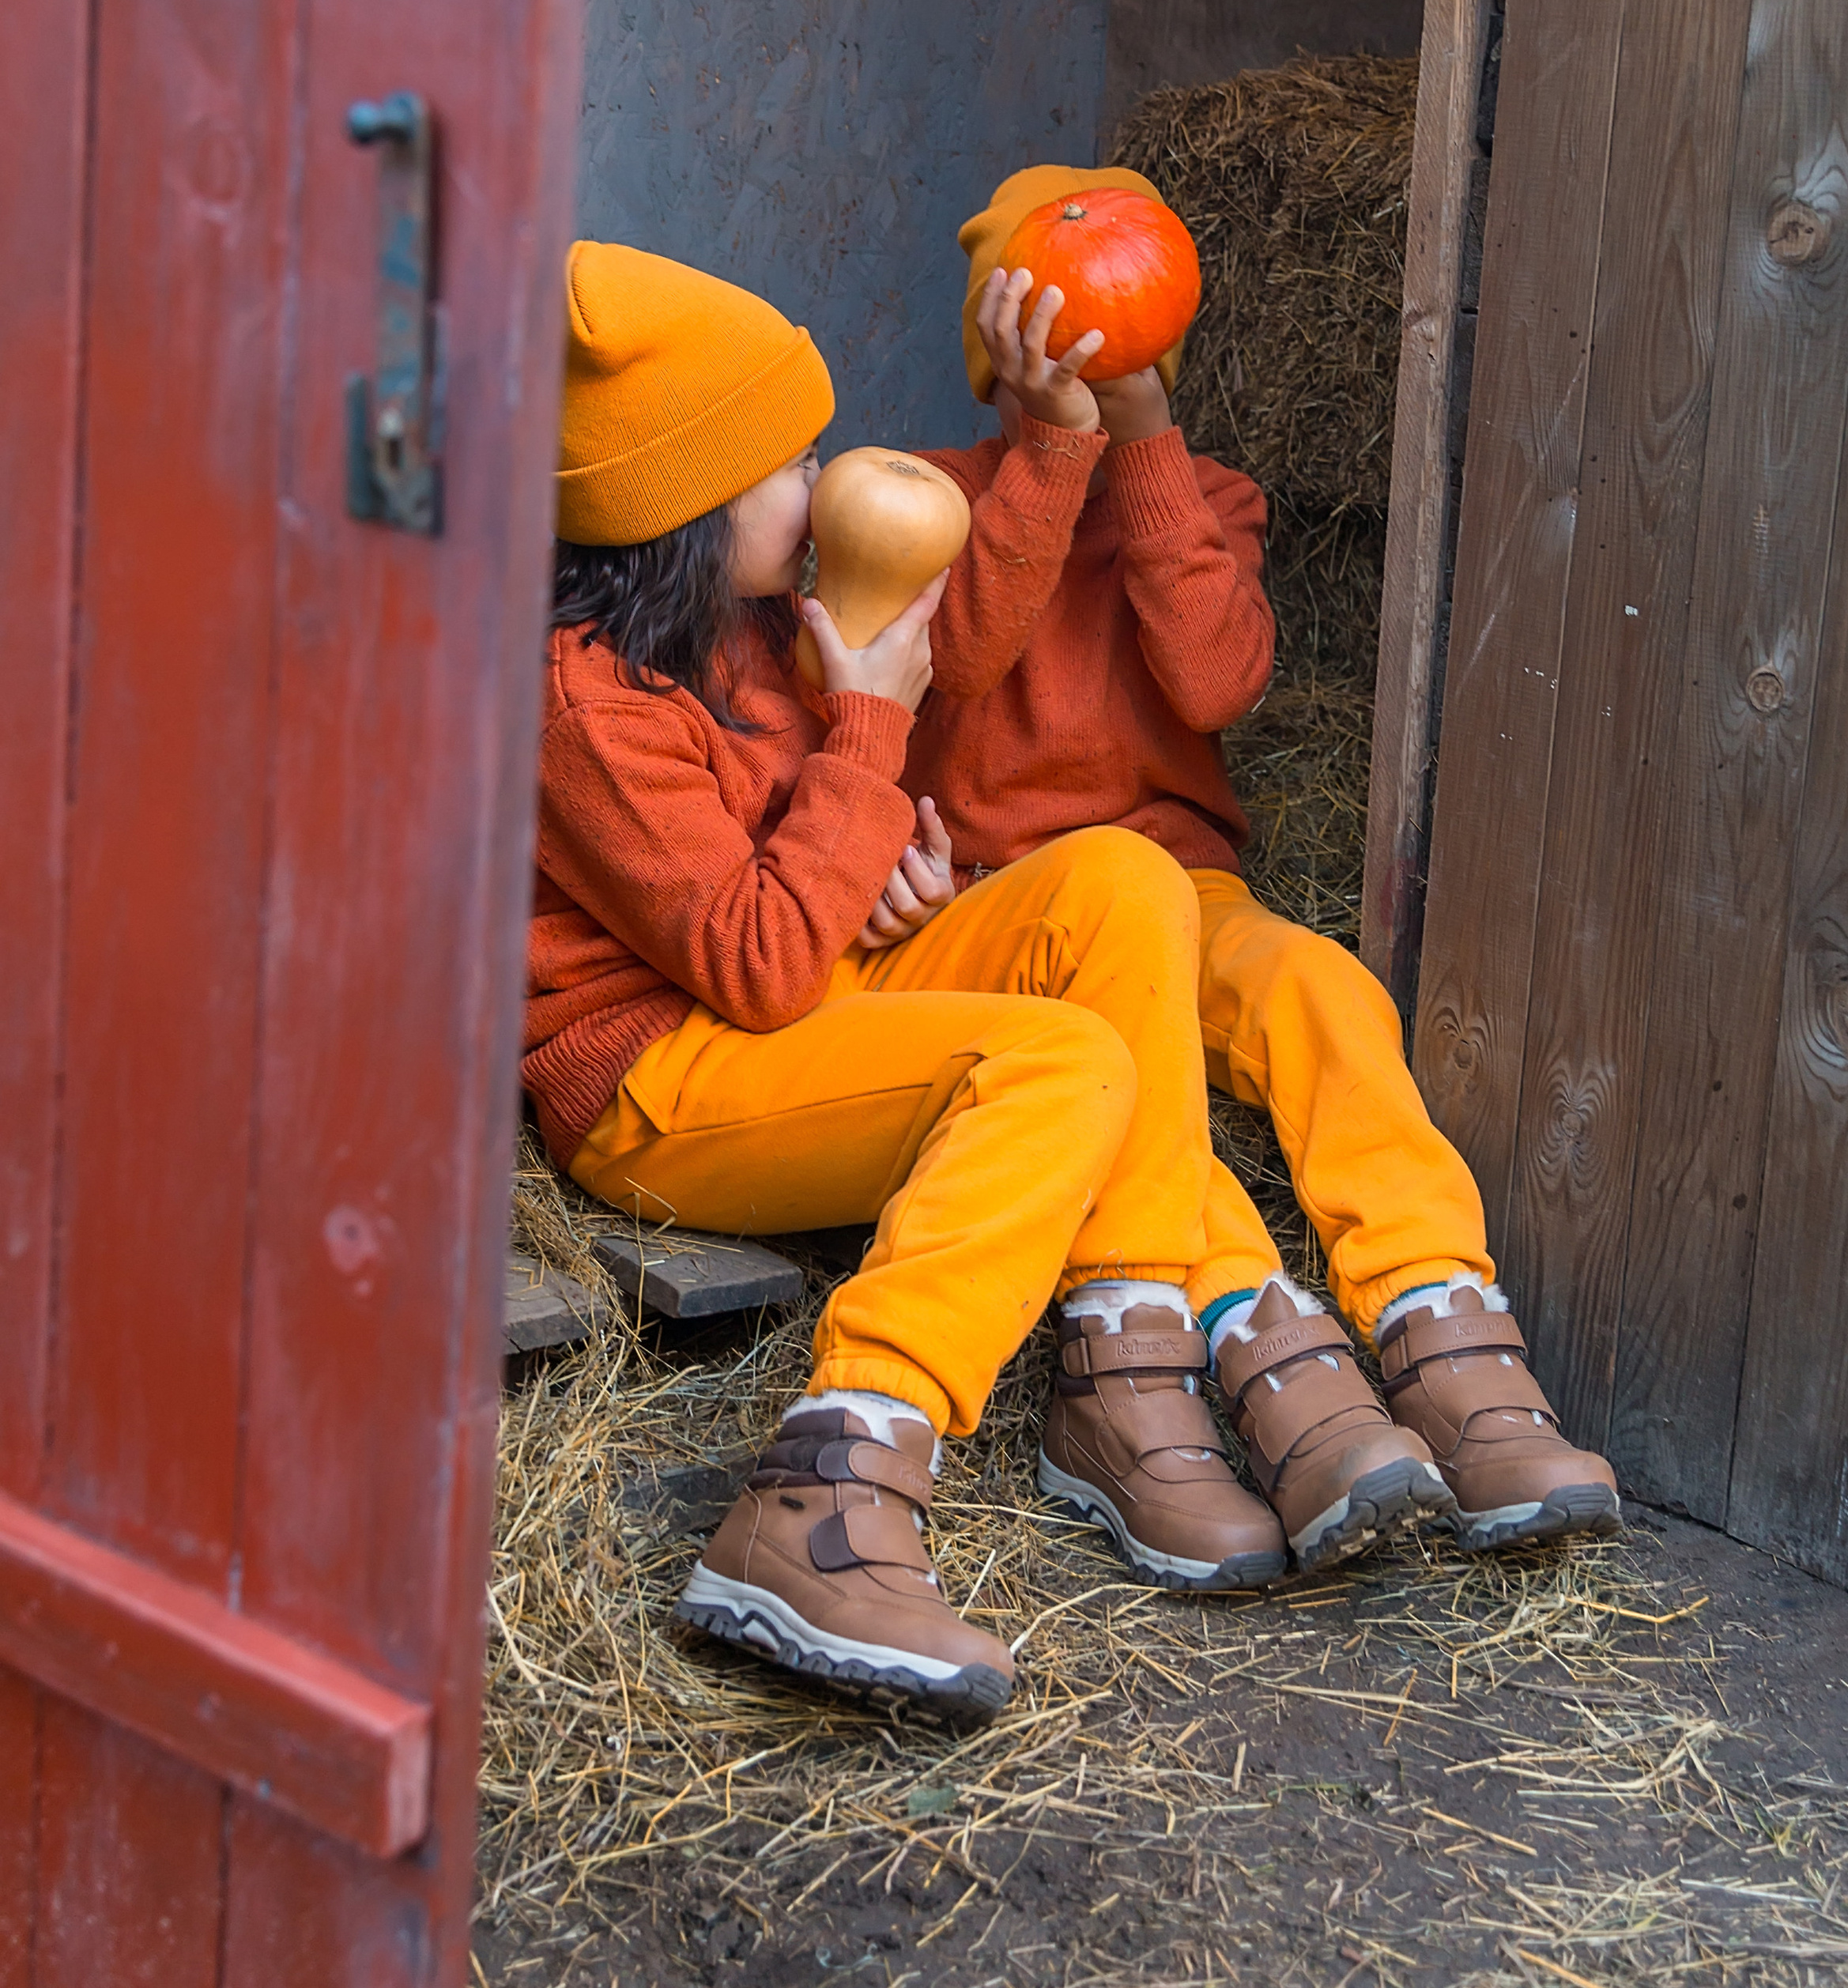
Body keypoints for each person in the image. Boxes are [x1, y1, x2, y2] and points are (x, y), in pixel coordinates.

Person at [525, 240, 1429, 1726]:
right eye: (785, 462)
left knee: (1119, 881)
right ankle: (827, 1491)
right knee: (1059, 1066)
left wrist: (894, 864)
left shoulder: (753, 625)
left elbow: (813, 862)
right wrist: (867, 745)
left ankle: (1123, 1373)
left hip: (808, 997)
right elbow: (751, 965)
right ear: (681, 505)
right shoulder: (588, 700)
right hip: (660, 1079)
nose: (816, 486)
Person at [901, 164, 1622, 1559]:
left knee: (1325, 992)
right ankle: (1266, 1359)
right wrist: (1049, 457)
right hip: (1025, 911)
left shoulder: (1204, 494)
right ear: (999, 348)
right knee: (1145, 1090)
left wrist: (1144, 442)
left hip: (1186, 889)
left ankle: (1445, 1333)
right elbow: (966, 656)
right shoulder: (932, 499)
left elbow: (1219, 679)